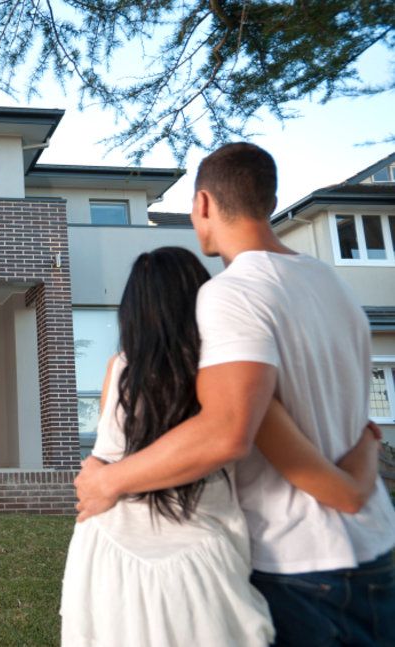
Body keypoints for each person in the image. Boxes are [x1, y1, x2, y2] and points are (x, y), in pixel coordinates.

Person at [74, 143, 395, 646]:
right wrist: (365, 461)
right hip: (378, 547)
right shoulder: (334, 285)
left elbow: (226, 430)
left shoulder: (230, 294)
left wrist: (107, 481)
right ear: (270, 201)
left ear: (202, 204)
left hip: (299, 560)